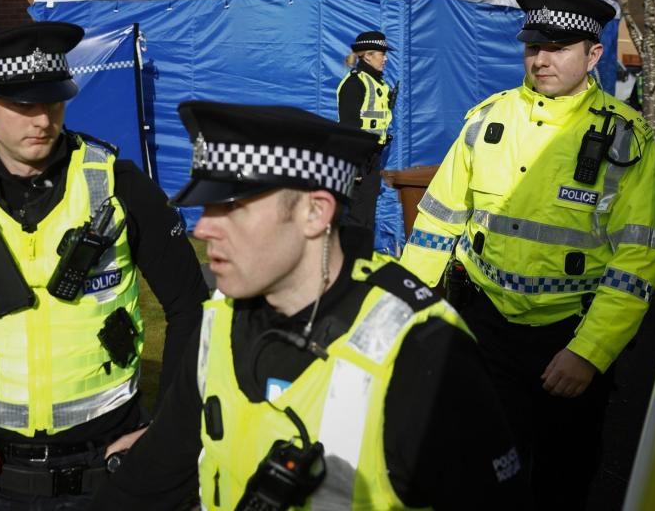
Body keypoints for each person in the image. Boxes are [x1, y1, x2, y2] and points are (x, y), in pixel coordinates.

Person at [91, 102, 528, 509]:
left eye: (233, 207)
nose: (203, 229)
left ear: (316, 214)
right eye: (206, 207)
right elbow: (155, 474)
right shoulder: (222, 317)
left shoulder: (423, 349)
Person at [0, 21, 209, 509]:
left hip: (110, 469)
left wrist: (165, 431)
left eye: (53, 100)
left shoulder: (121, 186)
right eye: (22, 105)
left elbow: (192, 308)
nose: (42, 120)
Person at [398, 0, 655, 508]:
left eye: (559, 47)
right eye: (533, 46)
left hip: (568, 337)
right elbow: (437, 219)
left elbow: (637, 260)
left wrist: (589, 352)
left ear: (593, 55)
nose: (541, 59)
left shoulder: (625, 139)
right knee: (480, 468)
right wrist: (407, 307)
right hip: (485, 328)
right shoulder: (487, 119)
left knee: (561, 479)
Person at [336, 30, 397, 245]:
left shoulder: (380, 84)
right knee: (356, 216)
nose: (386, 58)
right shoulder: (355, 83)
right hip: (359, 159)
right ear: (368, 55)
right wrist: (354, 167)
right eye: (382, 53)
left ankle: (361, 261)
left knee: (367, 216)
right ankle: (350, 264)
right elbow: (348, 128)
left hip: (373, 158)